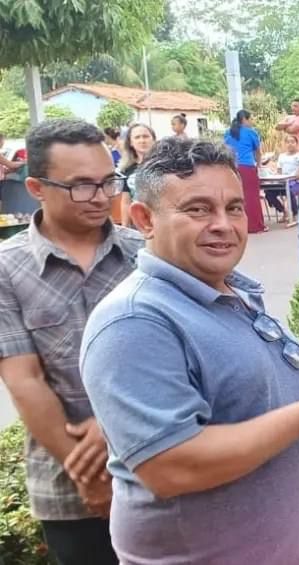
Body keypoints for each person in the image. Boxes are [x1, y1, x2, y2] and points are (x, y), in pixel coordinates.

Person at [80, 137, 299, 564]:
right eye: (198, 209)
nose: (223, 224)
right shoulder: (135, 322)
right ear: (144, 219)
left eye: (234, 207)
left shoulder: (230, 292)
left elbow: (247, 412)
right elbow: (171, 465)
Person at [0, 119, 143, 565]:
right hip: (66, 484)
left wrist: (112, 424)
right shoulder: (7, 269)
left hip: (156, 463)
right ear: (36, 187)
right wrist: (89, 476)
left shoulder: (146, 255)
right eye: (81, 186)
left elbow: (178, 358)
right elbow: (25, 380)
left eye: (107, 181)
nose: (101, 197)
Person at [223, 109, 267, 234]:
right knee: (252, 197)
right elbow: (257, 151)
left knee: (234, 197)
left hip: (231, 167)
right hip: (247, 167)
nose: (251, 122)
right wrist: (259, 164)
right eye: (250, 119)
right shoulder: (251, 132)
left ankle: (235, 225)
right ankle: (255, 225)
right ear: (245, 119)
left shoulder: (228, 132)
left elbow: (225, 149)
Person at [118, 123, 156, 227]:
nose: (142, 140)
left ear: (153, 139)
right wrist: (124, 227)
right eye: (137, 137)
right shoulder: (127, 169)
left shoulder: (164, 165)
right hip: (138, 224)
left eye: (146, 136)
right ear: (131, 142)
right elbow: (126, 201)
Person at [268, 134, 299, 222]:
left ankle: (294, 214)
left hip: (297, 183)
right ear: (285, 144)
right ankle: (284, 212)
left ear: (296, 144)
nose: (290, 144)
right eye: (288, 142)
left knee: (289, 192)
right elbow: (279, 172)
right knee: (269, 193)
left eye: (292, 142)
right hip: (283, 183)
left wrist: (291, 178)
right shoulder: (281, 156)